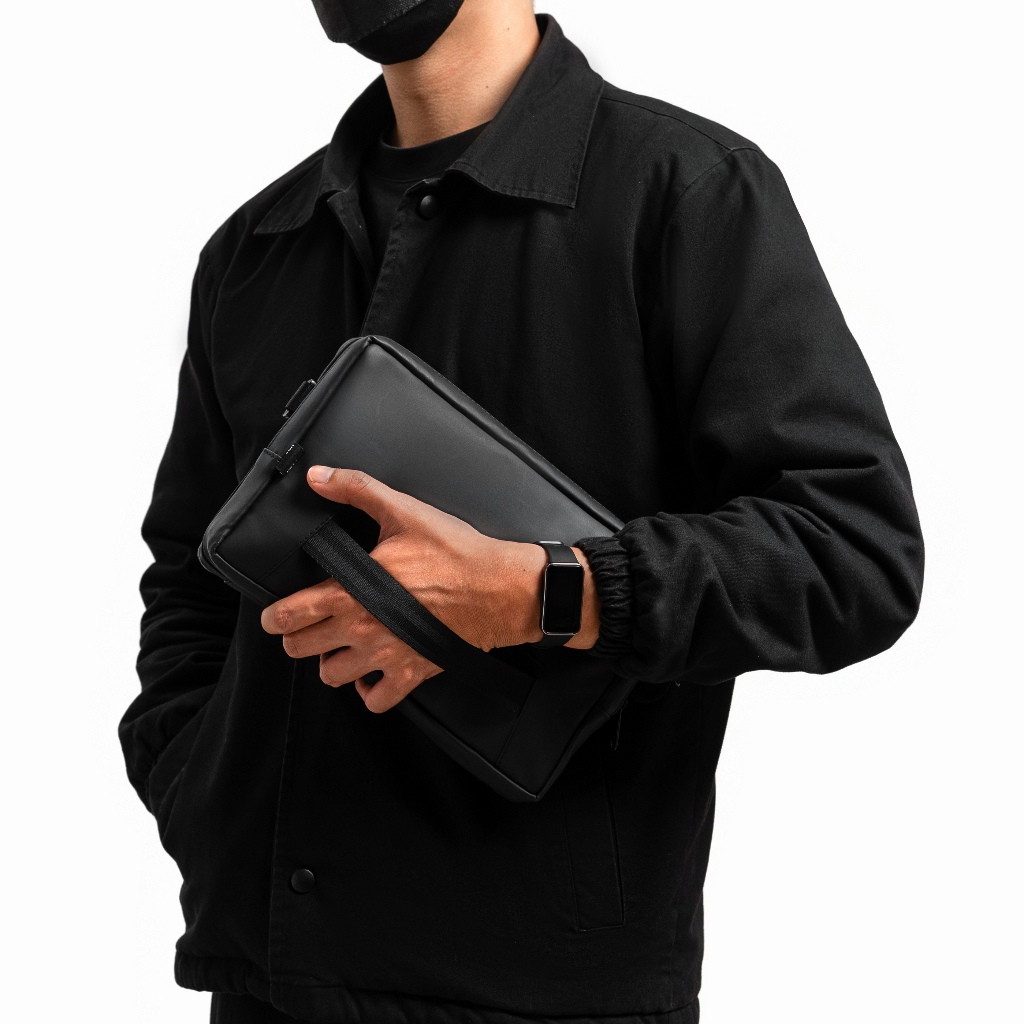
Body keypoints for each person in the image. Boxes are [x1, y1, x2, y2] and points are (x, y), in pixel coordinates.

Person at [118, 2, 925, 1022]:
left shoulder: (685, 191)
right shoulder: (256, 247)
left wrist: (546, 592)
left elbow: (852, 552)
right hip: (267, 982)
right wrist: (195, 786)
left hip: (540, 991)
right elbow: (189, 581)